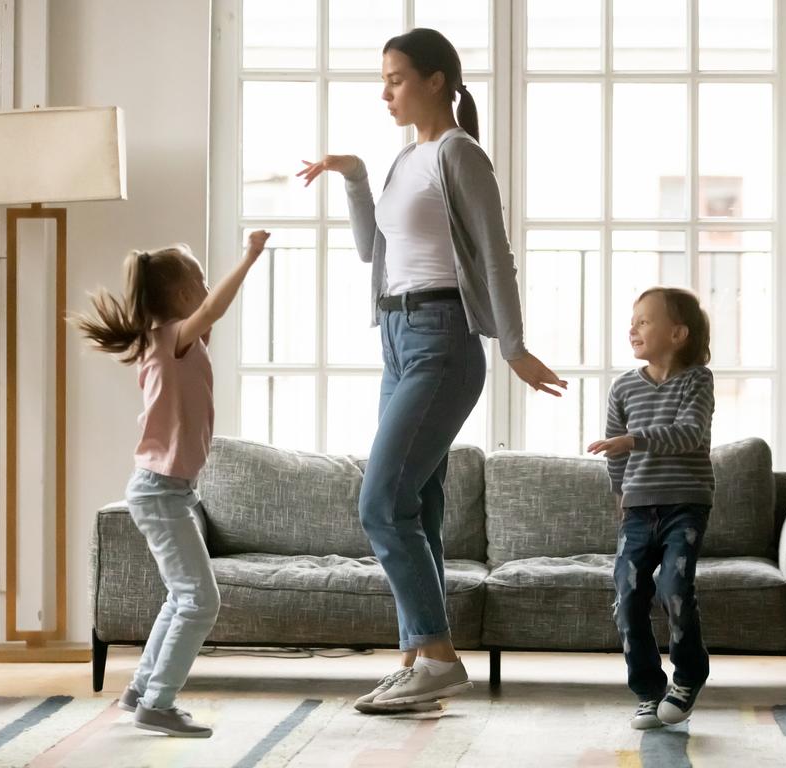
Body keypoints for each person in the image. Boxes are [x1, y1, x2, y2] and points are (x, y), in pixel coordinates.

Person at [297, 28, 565, 713]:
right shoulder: (402, 161)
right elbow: (370, 251)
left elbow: (496, 254)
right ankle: (418, 656)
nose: (385, 91)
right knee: (420, 505)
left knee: (381, 503)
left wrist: (512, 345)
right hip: (396, 335)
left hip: (442, 338)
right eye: (382, 80)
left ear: (437, 80)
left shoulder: (459, 153)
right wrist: (355, 177)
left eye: (395, 78)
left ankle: (438, 657)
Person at [73, 231, 270, 736]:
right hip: (160, 491)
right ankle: (158, 703)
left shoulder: (178, 341)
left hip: (168, 490)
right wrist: (249, 258)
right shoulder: (172, 339)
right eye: (200, 279)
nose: (207, 287)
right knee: (201, 602)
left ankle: (141, 689)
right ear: (183, 297)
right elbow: (215, 310)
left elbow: (208, 317)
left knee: (181, 597)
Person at [588, 287, 715, 730]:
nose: (633, 328)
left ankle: (688, 676)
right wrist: (621, 495)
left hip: (686, 505)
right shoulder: (623, 386)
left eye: (645, 320)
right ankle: (648, 690)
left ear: (677, 333)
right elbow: (614, 452)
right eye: (633, 319)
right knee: (627, 595)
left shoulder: (698, 380)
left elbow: (690, 434)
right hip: (638, 510)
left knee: (675, 588)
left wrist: (637, 440)